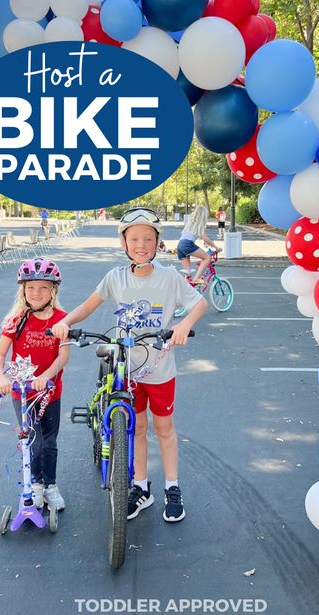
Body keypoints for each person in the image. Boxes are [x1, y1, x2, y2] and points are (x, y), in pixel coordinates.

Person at [51, 207, 207, 522]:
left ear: (157, 242)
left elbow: (199, 303)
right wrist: (65, 322)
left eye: (148, 238)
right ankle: (140, 487)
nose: (141, 244)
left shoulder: (169, 277)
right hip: (127, 371)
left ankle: (172, 488)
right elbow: (87, 306)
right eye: (134, 238)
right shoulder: (115, 278)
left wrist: (181, 325)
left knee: (164, 428)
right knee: (136, 429)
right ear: (124, 243)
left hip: (160, 370)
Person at [0, 258, 70, 511]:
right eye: (31, 287)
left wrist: (46, 375)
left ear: (53, 290)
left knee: (50, 441)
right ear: (23, 290)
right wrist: (1, 378)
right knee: (32, 441)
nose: (36, 293)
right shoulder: (16, 320)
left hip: (50, 392)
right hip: (22, 393)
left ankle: (51, 485)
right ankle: (35, 485)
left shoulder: (62, 320)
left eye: (43, 287)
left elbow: (64, 355)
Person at [177, 205, 221, 285]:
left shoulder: (190, 223)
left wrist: (206, 243)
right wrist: (215, 247)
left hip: (180, 245)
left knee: (188, 274)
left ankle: (187, 291)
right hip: (187, 244)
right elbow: (204, 237)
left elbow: (198, 237)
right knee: (207, 258)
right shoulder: (200, 224)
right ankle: (197, 278)